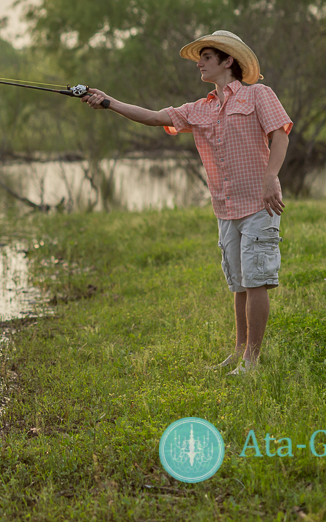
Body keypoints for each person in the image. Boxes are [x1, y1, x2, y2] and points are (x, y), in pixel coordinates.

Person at [81, 30, 292, 375]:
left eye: (206, 57)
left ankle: (252, 361)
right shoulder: (199, 109)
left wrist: (272, 177)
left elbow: (280, 135)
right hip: (225, 209)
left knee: (256, 281)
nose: (200, 63)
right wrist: (108, 101)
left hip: (258, 204)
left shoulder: (258, 95)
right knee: (239, 283)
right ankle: (237, 352)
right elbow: (153, 116)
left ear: (228, 61)